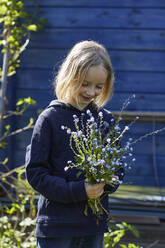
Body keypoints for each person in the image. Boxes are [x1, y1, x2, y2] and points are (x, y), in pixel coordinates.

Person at [25, 40, 124, 248]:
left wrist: (107, 182)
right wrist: (80, 190)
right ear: (70, 76)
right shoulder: (50, 119)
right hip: (56, 229)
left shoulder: (105, 120)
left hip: (93, 227)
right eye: (84, 83)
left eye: (99, 86)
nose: (91, 92)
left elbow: (118, 168)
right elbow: (36, 173)